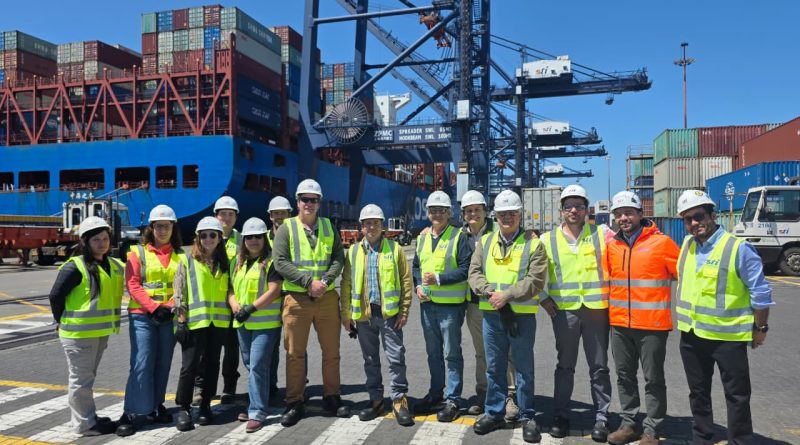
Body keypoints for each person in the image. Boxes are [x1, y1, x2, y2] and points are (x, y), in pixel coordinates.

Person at [674, 190, 773, 445]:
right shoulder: (687, 246)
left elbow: (760, 293)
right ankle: (701, 438)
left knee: (737, 396)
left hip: (728, 338)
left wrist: (760, 328)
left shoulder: (738, 248)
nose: (694, 223)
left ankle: (740, 441)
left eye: (699, 216)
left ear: (712, 215)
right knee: (697, 393)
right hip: (692, 335)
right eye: (687, 219)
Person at [468, 190, 548, 443]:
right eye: (503, 214)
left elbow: (535, 280)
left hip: (520, 316)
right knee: (494, 367)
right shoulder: (486, 242)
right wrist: (490, 292)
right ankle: (494, 412)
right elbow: (474, 273)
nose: (507, 217)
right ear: (496, 216)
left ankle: (527, 416)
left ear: (520, 214)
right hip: (492, 314)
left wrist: (507, 295)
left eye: (512, 213)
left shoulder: (534, 244)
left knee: (524, 368)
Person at [539, 184, 612, 441]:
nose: (573, 211)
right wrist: (542, 298)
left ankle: (601, 417)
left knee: (599, 367)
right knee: (565, 366)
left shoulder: (602, 234)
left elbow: (629, 246)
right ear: (561, 211)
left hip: (596, 311)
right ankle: (561, 415)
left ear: (587, 210)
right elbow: (530, 271)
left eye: (579, 206)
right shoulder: (546, 240)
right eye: (568, 206)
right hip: (564, 312)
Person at [273, 179, 349, 426]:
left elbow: (338, 257)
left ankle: (332, 396)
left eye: (313, 199)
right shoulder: (286, 228)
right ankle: (294, 402)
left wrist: (325, 281)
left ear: (319, 202)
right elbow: (280, 261)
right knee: (295, 354)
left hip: (326, 298)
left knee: (332, 352)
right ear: (297, 202)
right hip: (297, 299)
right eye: (305, 199)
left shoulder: (328, 226)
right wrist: (308, 283)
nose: (309, 203)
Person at [605, 191, 679, 445]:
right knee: (624, 376)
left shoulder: (662, 243)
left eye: (628, 213)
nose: (623, 218)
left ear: (640, 214)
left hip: (652, 326)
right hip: (619, 324)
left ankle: (652, 429)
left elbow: (686, 275)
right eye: (619, 214)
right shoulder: (612, 246)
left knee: (653, 378)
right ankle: (629, 424)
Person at [48, 216, 124, 436]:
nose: (102, 243)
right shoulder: (75, 266)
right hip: (78, 334)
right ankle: (85, 425)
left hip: (99, 333)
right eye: (96, 240)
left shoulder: (112, 265)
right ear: (85, 242)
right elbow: (55, 296)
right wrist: (60, 321)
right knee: (81, 380)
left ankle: (88, 417)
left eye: (105, 239)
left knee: (87, 377)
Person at [340, 204, 414, 427]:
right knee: (370, 360)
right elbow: (346, 283)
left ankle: (399, 401)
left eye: (375, 223)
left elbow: (406, 280)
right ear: (361, 227)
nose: (371, 227)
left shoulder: (395, 249)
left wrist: (404, 310)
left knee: (396, 358)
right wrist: (346, 314)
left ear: (382, 226)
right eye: (367, 223)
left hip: (389, 315)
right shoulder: (354, 251)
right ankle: (376, 400)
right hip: (364, 316)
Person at [116, 205, 185, 437]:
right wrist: (154, 308)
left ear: (173, 228)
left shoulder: (181, 255)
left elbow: (184, 286)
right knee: (142, 362)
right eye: (158, 226)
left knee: (163, 363)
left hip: (169, 315)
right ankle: (131, 412)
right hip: (142, 316)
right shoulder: (137, 253)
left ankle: (155, 406)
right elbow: (132, 284)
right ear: (151, 228)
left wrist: (169, 307)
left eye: (167, 226)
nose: (163, 230)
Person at [459, 190, 521, 419]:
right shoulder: (459, 236)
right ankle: (484, 392)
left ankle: (510, 395)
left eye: (477, 209)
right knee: (481, 352)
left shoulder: (499, 231)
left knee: (507, 351)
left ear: (486, 212)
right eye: (468, 211)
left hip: (502, 302)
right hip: (475, 302)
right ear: (463, 214)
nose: (473, 214)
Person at [412, 190, 471, 422]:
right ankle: (436, 394)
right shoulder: (422, 238)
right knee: (433, 353)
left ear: (449, 213)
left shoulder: (458, 237)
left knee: (452, 354)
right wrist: (418, 284)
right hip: (427, 305)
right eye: (433, 210)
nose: (437, 214)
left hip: (451, 307)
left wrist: (439, 279)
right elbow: (417, 266)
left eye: (441, 210)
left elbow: (466, 269)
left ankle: (453, 399)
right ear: (428, 213)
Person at [173, 217, 231, 431]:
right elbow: (179, 293)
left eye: (212, 235)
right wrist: (181, 322)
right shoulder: (187, 261)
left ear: (219, 238)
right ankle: (184, 408)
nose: (208, 239)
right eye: (204, 235)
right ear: (198, 238)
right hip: (194, 323)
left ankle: (206, 404)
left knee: (212, 365)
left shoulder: (226, 263)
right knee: (189, 367)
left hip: (219, 323)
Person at [228, 217, 283, 433]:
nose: (253, 240)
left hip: (265, 323)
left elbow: (274, 290)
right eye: (249, 237)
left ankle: (257, 412)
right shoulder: (237, 262)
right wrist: (235, 306)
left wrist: (250, 308)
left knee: (258, 364)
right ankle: (259, 400)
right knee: (251, 365)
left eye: (258, 237)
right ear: (243, 240)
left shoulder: (271, 262)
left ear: (264, 239)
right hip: (242, 322)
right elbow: (230, 289)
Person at [266, 195, 293, 405]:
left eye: (282, 213)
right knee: (270, 345)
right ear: (270, 216)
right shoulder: (261, 238)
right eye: (276, 213)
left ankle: (297, 384)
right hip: (268, 300)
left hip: (291, 296)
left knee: (294, 345)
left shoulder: (295, 237)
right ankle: (270, 385)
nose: (279, 217)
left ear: (289, 214)